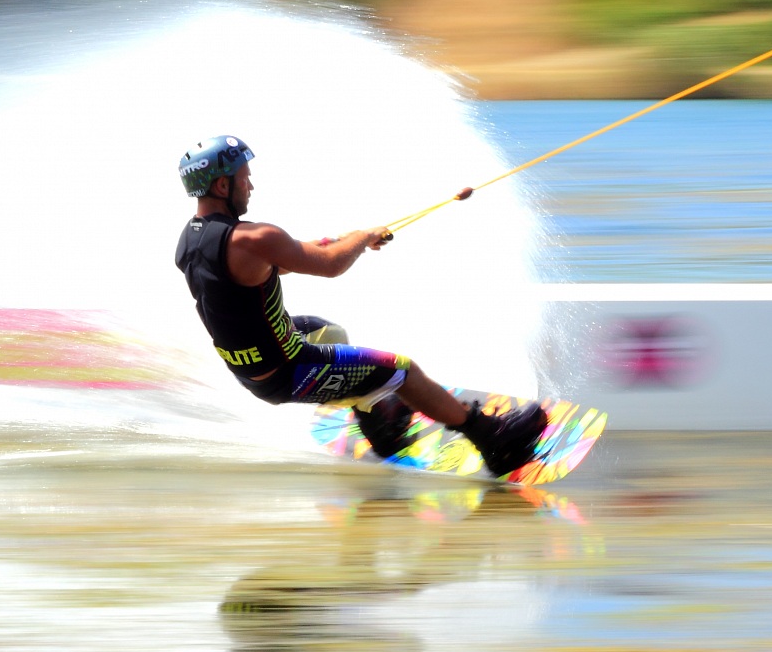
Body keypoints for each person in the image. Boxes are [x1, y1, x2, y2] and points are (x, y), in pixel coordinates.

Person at [174, 135, 547, 476]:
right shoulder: (255, 237)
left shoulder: (192, 239)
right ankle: (491, 439)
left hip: (250, 367)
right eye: (244, 177)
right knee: (403, 370)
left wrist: (344, 241)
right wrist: (361, 238)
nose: (250, 185)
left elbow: (278, 262)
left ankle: (378, 421)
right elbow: (331, 266)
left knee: (329, 332)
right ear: (222, 184)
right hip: (286, 371)